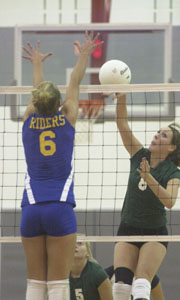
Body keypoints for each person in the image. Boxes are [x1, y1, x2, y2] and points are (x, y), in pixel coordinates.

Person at [20, 32, 103, 300]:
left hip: (31, 208)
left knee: (35, 282)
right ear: (59, 104)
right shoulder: (67, 117)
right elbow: (75, 81)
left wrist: (36, 65)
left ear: (35, 103)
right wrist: (84, 55)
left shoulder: (28, 120)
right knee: (57, 284)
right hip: (60, 206)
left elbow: (38, 94)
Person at [113, 93, 180, 300]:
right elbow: (122, 123)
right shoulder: (139, 155)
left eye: (164, 135)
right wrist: (121, 96)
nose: (157, 135)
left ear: (172, 147)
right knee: (120, 285)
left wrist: (148, 177)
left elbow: (170, 201)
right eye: (158, 132)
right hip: (128, 227)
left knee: (141, 283)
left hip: (154, 233)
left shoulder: (172, 172)